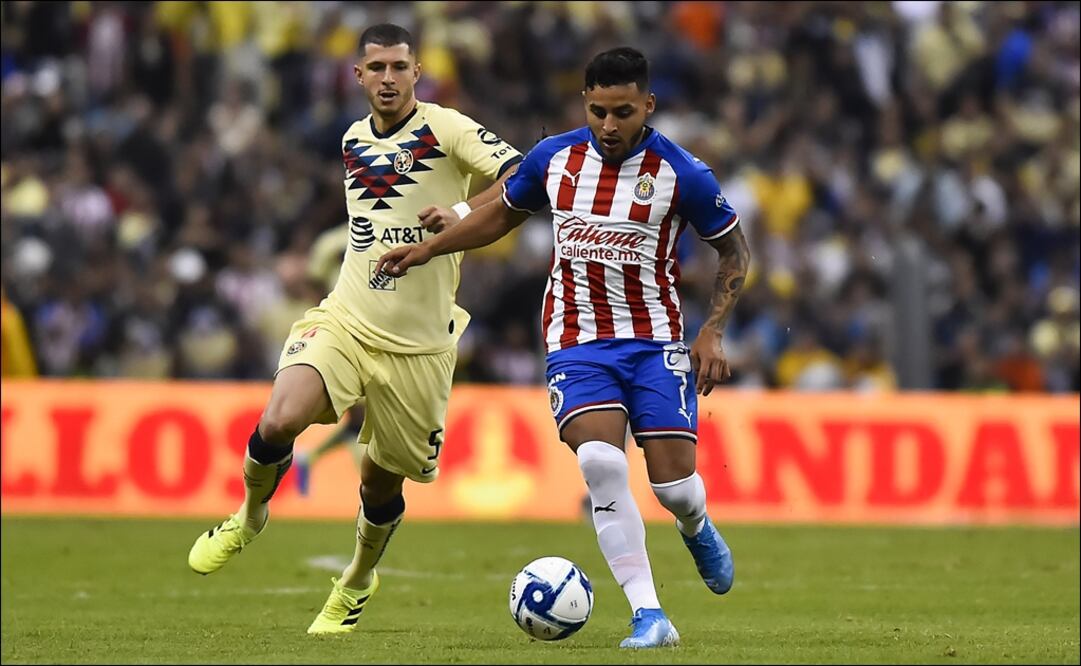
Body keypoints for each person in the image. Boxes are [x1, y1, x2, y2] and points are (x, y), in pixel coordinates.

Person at [377, 47, 750, 649]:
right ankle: (649, 615)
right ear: (585, 102)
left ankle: (696, 523)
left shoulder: (684, 173)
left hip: (655, 340)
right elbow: (504, 211)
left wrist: (713, 329)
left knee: (673, 487)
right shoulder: (555, 159)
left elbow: (734, 251)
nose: (609, 124)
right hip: (576, 340)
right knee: (601, 464)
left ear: (648, 106)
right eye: (599, 110)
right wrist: (429, 248)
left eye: (623, 112)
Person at [187, 23, 523, 636]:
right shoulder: (351, 141)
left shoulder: (446, 128)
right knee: (279, 418)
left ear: (417, 72)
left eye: (400, 67)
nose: (389, 78)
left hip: (419, 345)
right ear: (358, 76)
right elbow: (374, 223)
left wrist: (460, 212)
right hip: (346, 318)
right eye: (378, 68)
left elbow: (525, 179)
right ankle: (249, 515)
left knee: (378, 486)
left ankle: (358, 579)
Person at [292, 223, 366, 496]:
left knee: (362, 412)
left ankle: (309, 456)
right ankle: (367, 484)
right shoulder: (330, 242)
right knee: (362, 411)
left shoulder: (391, 227)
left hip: (373, 329)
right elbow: (313, 284)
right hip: (342, 330)